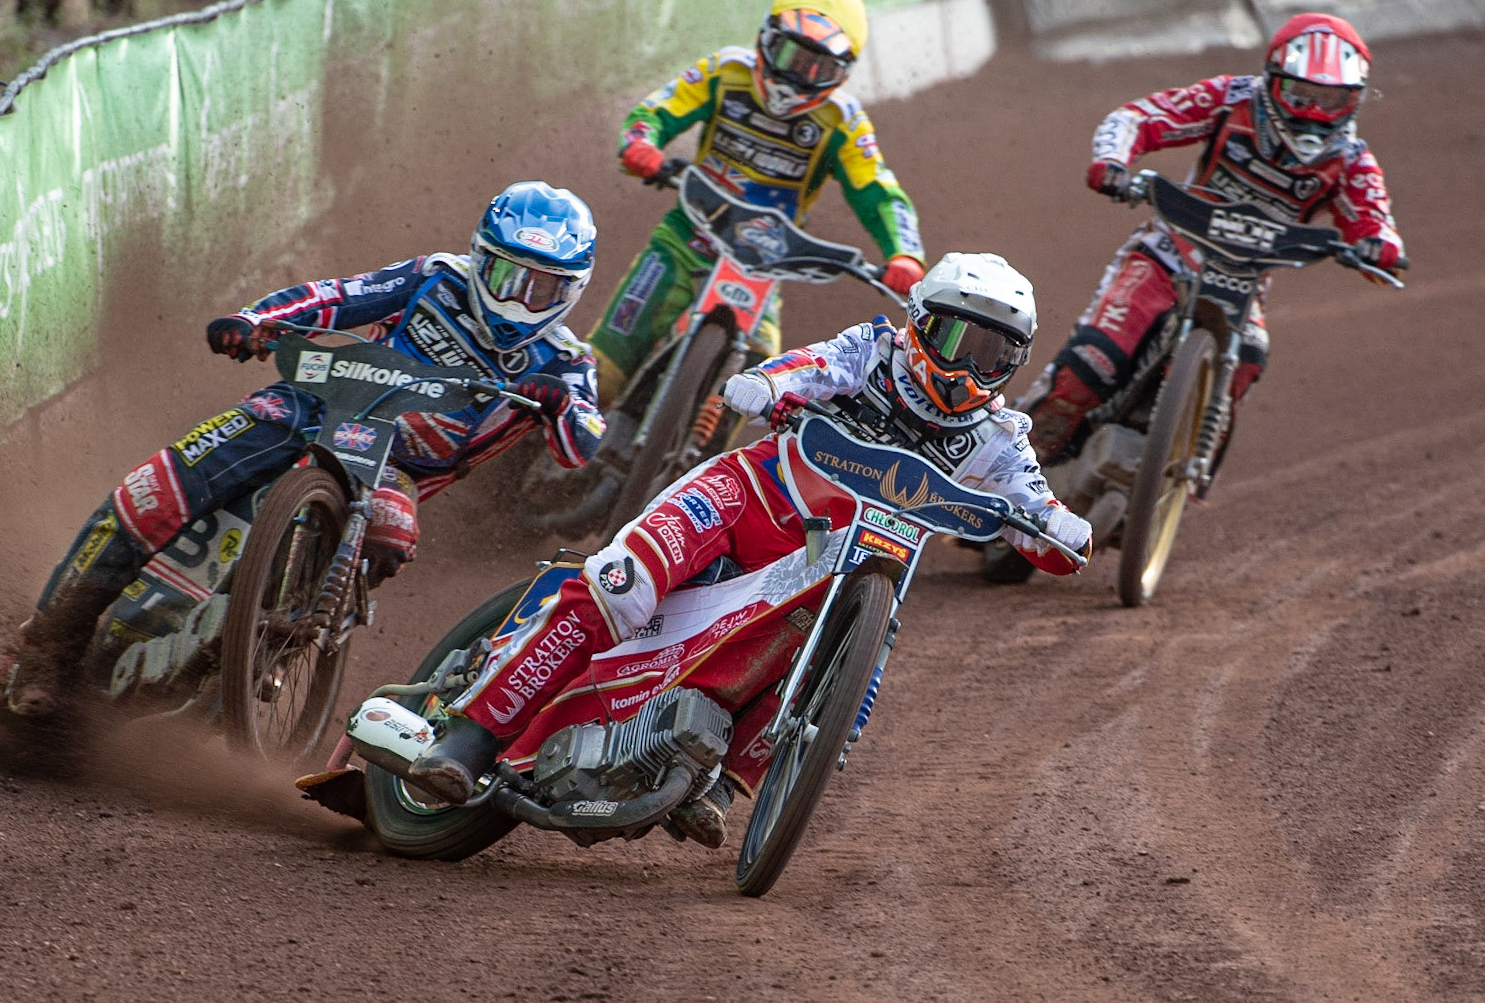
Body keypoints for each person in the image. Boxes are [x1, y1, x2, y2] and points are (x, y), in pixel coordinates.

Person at [406, 253, 1091, 848]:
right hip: (745, 501)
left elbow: (1039, 507)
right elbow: (807, 366)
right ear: (919, 323)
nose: (969, 366)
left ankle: (723, 790)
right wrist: (767, 386)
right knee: (620, 586)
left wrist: (1061, 530)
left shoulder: (1001, 437)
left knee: (846, 682)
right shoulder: (872, 352)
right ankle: (470, 738)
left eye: (994, 355)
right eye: (956, 339)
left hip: (836, 572)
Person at [4, 181, 606, 717]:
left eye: (543, 287)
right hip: (311, 405)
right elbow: (339, 296)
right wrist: (257, 322)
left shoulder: (566, 362)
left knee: (392, 535)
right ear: (480, 258)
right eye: (507, 276)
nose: (519, 300)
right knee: (159, 488)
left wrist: (558, 403)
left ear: (571, 290)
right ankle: (50, 645)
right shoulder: (435, 277)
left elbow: (584, 442)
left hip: (394, 469)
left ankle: (278, 643)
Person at [1019, 12, 1406, 466]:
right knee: (1093, 361)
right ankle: (1011, 468)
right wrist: (1114, 162)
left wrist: (1379, 247)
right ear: (1272, 80)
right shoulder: (1230, 99)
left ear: (1355, 100)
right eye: (1302, 94)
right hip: (1170, 254)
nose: (1315, 113)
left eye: (1332, 100)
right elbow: (1139, 117)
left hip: (1244, 282)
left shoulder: (1352, 159)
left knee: (1247, 359)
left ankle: (1179, 476)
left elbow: (1374, 218)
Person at [587, 0, 928, 406]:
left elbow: (877, 191)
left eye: (818, 68)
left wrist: (904, 254)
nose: (798, 77)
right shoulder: (727, 70)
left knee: (761, 385)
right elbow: (655, 111)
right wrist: (641, 144)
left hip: (764, 265)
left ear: (840, 74)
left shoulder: (843, 120)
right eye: (791, 55)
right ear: (765, 38)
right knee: (600, 374)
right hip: (685, 239)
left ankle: (694, 448)